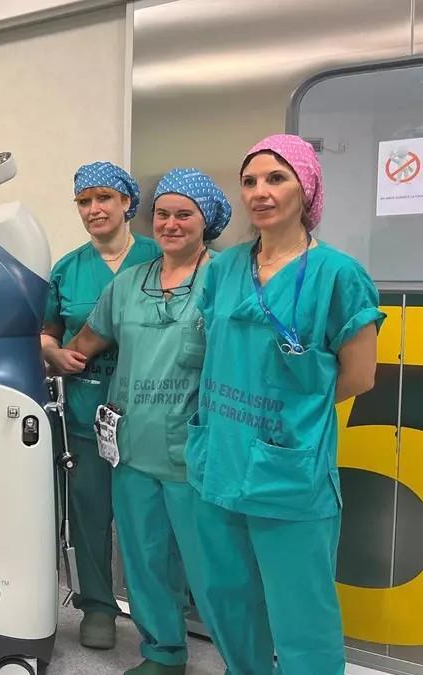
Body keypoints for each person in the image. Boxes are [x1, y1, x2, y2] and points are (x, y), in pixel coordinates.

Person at [186, 134, 381, 675]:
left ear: (307, 187)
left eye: (276, 178)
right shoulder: (223, 269)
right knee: (227, 598)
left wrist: (293, 409)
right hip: (219, 459)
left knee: (302, 614)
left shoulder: (338, 274)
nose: (260, 192)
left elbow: (360, 375)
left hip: (290, 470)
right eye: (249, 181)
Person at [62, 169, 232, 675]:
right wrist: (48, 351)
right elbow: (85, 343)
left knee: (215, 566)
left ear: (207, 219)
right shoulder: (129, 283)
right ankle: (162, 653)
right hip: (132, 446)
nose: (170, 224)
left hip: (195, 451)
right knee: (144, 556)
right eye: (163, 214)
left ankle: (244, 662)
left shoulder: (225, 279)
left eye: (184, 214)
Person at [41, 161, 160, 649]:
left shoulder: (160, 257)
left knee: (149, 521)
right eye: (84, 201)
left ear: (127, 202)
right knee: (88, 513)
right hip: (87, 410)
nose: (94, 209)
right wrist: (51, 353)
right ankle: (97, 606)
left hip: (153, 413)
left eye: (104, 198)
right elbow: (47, 332)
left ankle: (159, 616)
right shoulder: (67, 269)